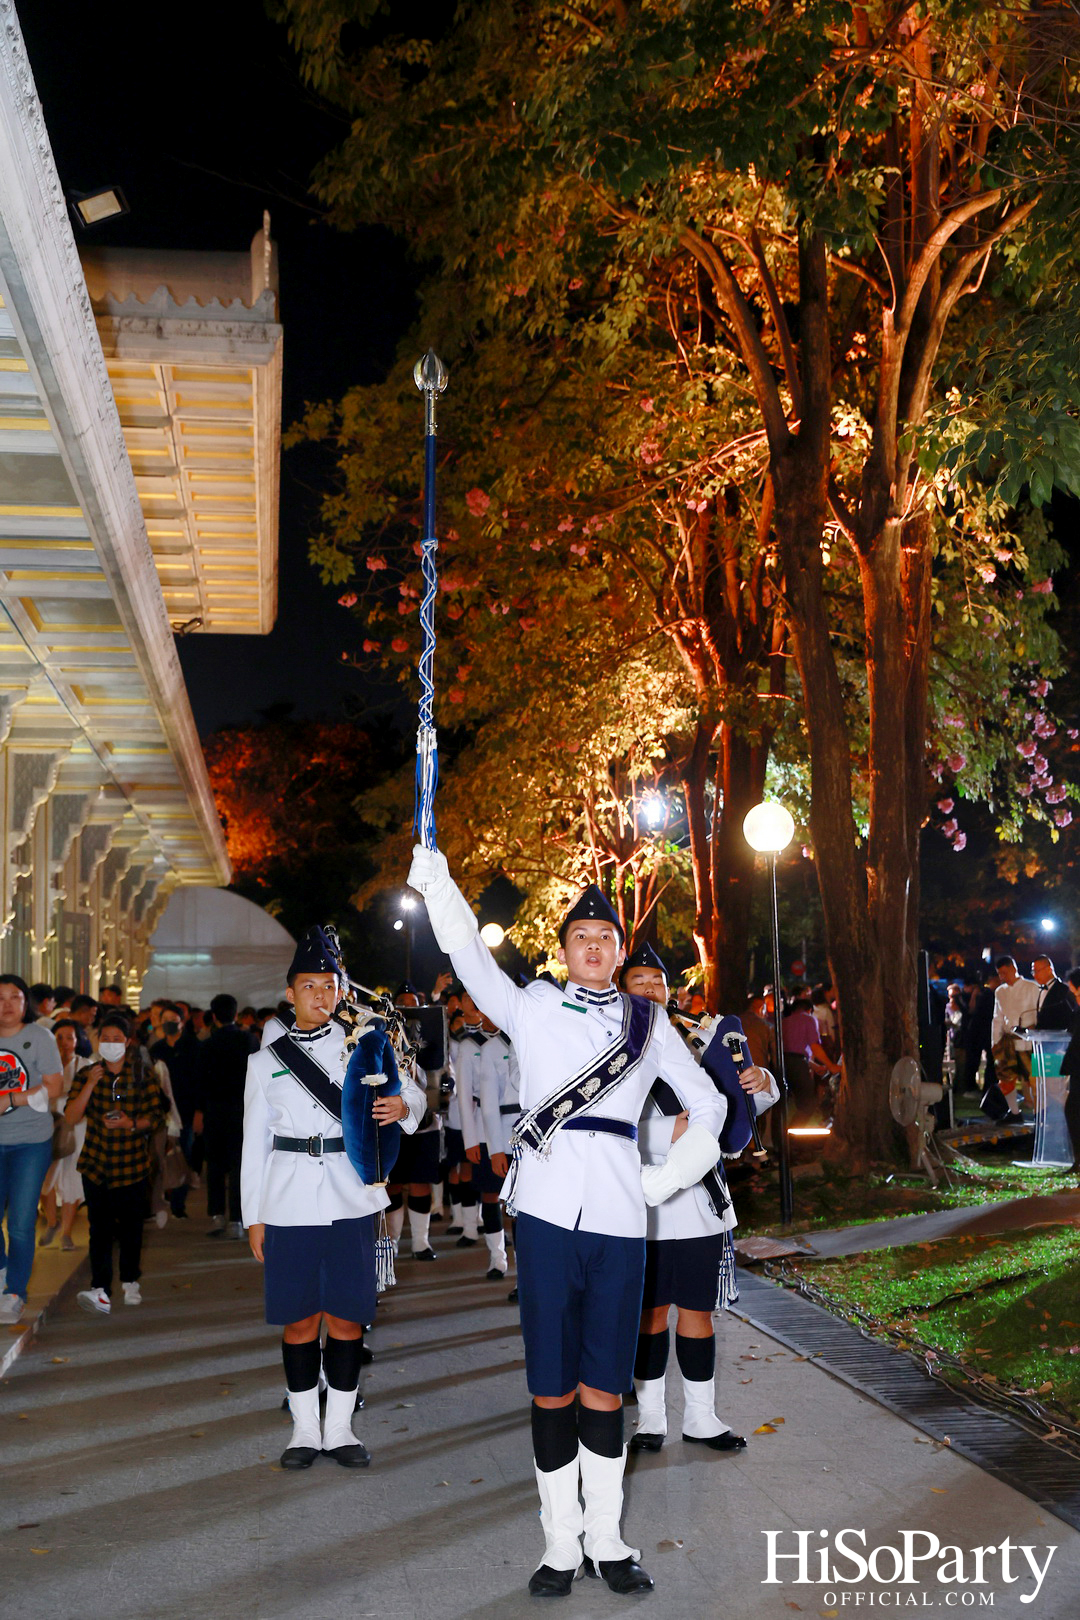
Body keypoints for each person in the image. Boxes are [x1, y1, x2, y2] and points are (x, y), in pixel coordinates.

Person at [409, 851, 726, 1599]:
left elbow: (708, 1102)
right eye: (581, 936)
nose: (594, 946)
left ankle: (608, 1540)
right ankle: (559, 1543)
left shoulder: (649, 1022)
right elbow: (466, 953)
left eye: (606, 938)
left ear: (618, 953)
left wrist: (665, 1179)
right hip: (548, 1217)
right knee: (552, 1388)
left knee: (605, 1388)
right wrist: (438, 884)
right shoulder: (531, 1007)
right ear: (562, 949)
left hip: (621, 1219)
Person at [241, 927, 425, 1468]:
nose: (320, 995)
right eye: (309, 986)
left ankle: (340, 1429)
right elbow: (254, 1144)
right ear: (290, 993)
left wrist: (403, 1107)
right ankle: (304, 1431)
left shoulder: (366, 1044)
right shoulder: (264, 1061)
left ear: (341, 990)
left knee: (347, 1319)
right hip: (287, 1202)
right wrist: (253, 1217)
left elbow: (414, 1093)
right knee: (299, 1320)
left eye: (329, 985)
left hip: (351, 1198)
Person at [619, 945, 779, 1455]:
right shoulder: (610, 1045)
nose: (650, 989)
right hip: (643, 1204)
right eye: (639, 980)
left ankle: (701, 1417)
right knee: (649, 1316)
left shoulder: (699, 1037)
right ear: (622, 989)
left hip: (701, 1204)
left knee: (698, 1313)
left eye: (657, 981)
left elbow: (739, 1107)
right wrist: (668, 1130)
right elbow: (600, 1127)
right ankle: (650, 1418)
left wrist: (763, 1083)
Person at [66, 1013, 168, 1314]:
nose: (110, 1043)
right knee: (99, 1229)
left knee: (131, 1229)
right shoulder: (87, 1074)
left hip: (132, 1166)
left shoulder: (142, 1074)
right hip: (96, 1164)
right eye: (105, 1038)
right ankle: (99, 1287)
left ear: (128, 1041)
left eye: (116, 1039)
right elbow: (71, 1116)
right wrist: (90, 1084)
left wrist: (130, 1123)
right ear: (98, 1041)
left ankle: (129, 1279)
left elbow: (156, 1117)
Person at [0, 975, 63, 1322]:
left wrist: (11, 1098)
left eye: (15, 997)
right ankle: (2, 1271)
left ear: (26, 1003)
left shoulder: (39, 1037)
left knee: (21, 1222)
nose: (7, 1004)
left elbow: (55, 1086)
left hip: (30, 1141)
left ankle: (15, 1292)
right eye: (0, 998)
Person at [383, 985, 441, 1261]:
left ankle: (420, 1242)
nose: (408, 1007)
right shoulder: (382, 1036)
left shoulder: (431, 1036)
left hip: (424, 1124)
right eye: (402, 1002)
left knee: (420, 1182)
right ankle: (392, 1241)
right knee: (392, 1184)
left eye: (413, 1002)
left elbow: (442, 1069)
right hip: (391, 1125)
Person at [196, 994, 254, 1238]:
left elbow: (199, 1082)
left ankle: (217, 1215)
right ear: (236, 1014)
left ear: (213, 1016)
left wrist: (199, 1111)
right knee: (239, 1165)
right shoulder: (248, 1041)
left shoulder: (207, 1044)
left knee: (215, 1164)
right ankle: (236, 1220)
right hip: (243, 1110)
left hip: (214, 1110)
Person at [38, 1019, 93, 1251]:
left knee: (72, 1178)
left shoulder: (86, 1065)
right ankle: (52, 1221)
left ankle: (67, 1233)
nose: (64, 1043)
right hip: (47, 1126)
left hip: (76, 1128)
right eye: (59, 1037)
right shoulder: (41, 1063)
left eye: (69, 1038)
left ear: (77, 1041)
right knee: (44, 1179)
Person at [150, 1003, 200, 1217]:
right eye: (165, 1020)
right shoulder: (157, 1049)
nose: (169, 1023)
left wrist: (199, 1111)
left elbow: (200, 1080)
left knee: (183, 1155)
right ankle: (161, 1199)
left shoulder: (193, 1046)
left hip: (186, 1110)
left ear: (182, 1022)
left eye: (173, 1020)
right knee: (160, 1155)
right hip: (162, 1112)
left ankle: (178, 1203)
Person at [990, 956, 1039, 1116]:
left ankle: (1038, 1112)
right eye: (999, 974)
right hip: (1008, 1041)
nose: (1002, 977)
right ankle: (1014, 1112)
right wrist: (995, 1041)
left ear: (1013, 968)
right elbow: (997, 1017)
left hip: (1028, 1041)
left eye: (1004, 972)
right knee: (1005, 1078)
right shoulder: (1000, 991)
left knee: (1033, 1079)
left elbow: (1039, 1013)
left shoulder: (1032, 987)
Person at [1033, 956, 1074, 1031]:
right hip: (1041, 1036)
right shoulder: (1042, 990)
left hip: (1058, 1036)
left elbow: (1069, 1018)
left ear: (1049, 970)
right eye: (1033, 972)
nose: (1034, 975)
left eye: (1037, 971)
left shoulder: (1064, 990)